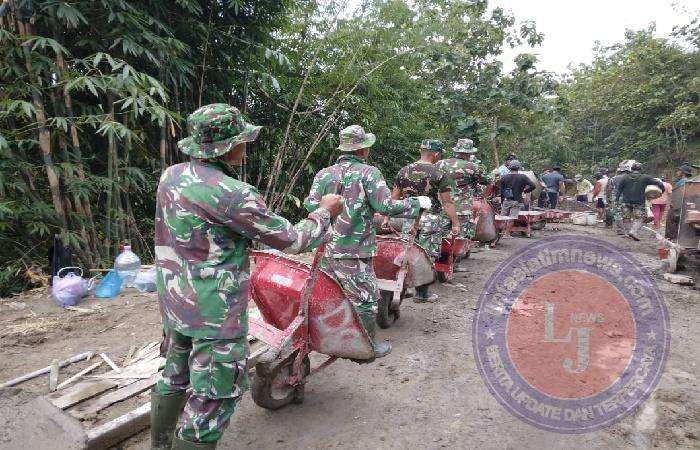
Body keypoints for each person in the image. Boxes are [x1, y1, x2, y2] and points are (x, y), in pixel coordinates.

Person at [152, 104, 343, 449]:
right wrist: (324, 212)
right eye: (242, 140)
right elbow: (292, 240)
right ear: (228, 146)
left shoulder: (172, 175)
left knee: (174, 375)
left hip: (176, 302)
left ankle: (160, 444)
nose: (246, 146)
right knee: (214, 396)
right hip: (214, 314)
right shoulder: (233, 194)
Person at [305, 125, 429, 355]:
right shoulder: (369, 173)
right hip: (355, 250)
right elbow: (385, 206)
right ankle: (367, 347)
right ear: (363, 149)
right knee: (366, 298)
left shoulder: (324, 174)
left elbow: (311, 205)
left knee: (328, 292)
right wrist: (416, 203)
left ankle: (327, 337)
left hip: (326, 248)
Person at [390, 139, 459, 301]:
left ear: (421, 151)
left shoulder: (404, 171)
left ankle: (402, 288)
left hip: (408, 218)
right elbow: (447, 202)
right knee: (426, 255)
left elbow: (394, 198)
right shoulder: (439, 173)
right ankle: (422, 294)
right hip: (430, 219)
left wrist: (387, 217)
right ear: (436, 154)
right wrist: (455, 223)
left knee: (407, 252)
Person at [434, 138, 488, 240]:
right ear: (470, 153)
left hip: (443, 206)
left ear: (456, 151)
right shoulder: (472, 166)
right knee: (460, 237)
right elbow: (486, 181)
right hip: (462, 208)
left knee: (441, 237)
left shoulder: (440, 164)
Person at [615, 161, 665, 240]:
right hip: (639, 202)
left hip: (626, 201)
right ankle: (633, 231)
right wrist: (662, 190)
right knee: (640, 217)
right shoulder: (645, 177)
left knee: (626, 217)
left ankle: (627, 233)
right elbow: (659, 183)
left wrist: (617, 200)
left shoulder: (625, 178)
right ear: (641, 169)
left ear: (631, 169)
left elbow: (619, 190)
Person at [497, 160, 536, 238]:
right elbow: (533, 186)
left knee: (503, 217)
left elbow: (501, 190)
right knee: (512, 218)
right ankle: (507, 234)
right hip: (517, 201)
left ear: (509, 168)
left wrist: (502, 200)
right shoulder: (523, 177)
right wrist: (525, 191)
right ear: (518, 168)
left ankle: (500, 233)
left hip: (506, 200)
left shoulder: (504, 177)